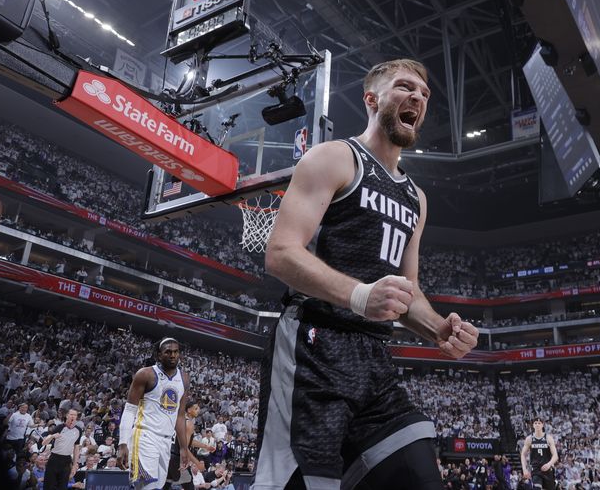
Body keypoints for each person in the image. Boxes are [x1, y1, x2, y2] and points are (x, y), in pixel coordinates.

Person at [256, 58, 479, 490]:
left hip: (374, 360)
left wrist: (439, 329)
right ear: (372, 99)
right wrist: (360, 296)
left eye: (425, 94)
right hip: (313, 348)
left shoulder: (416, 197)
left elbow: (406, 292)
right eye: (405, 87)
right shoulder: (335, 158)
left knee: (420, 477)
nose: (418, 97)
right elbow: (281, 254)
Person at [117, 337, 190, 490]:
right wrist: (122, 443)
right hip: (145, 436)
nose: (173, 355)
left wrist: (184, 447)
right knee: (146, 487)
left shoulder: (184, 379)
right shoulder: (145, 374)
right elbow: (130, 410)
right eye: (168, 352)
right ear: (158, 355)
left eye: (176, 352)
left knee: (157, 487)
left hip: (166, 441)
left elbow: (180, 415)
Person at [164, 401, 214, 490]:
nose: (198, 410)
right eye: (195, 408)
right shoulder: (189, 424)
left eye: (198, 408)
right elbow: (185, 448)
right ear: (189, 410)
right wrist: (197, 463)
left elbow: (189, 441)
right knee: (189, 486)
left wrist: (205, 446)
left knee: (166, 484)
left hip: (169, 456)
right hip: (177, 458)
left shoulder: (180, 420)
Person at [41, 408, 83, 490]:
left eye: (75, 415)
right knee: (49, 486)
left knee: (63, 486)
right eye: (71, 414)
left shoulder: (78, 430)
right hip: (54, 458)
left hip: (66, 460)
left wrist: (74, 465)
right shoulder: (59, 427)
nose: (73, 416)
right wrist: (52, 436)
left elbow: (76, 448)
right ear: (67, 415)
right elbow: (44, 443)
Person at [520, 417, 559, 490]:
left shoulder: (548, 438)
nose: (537, 425)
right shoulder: (529, 439)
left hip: (547, 469)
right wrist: (524, 469)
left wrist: (549, 464)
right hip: (536, 469)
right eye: (535, 423)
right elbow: (523, 454)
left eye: (539, 423)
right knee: (536, 488)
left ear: (542, 425)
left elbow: (555, 456)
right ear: (533, 425)